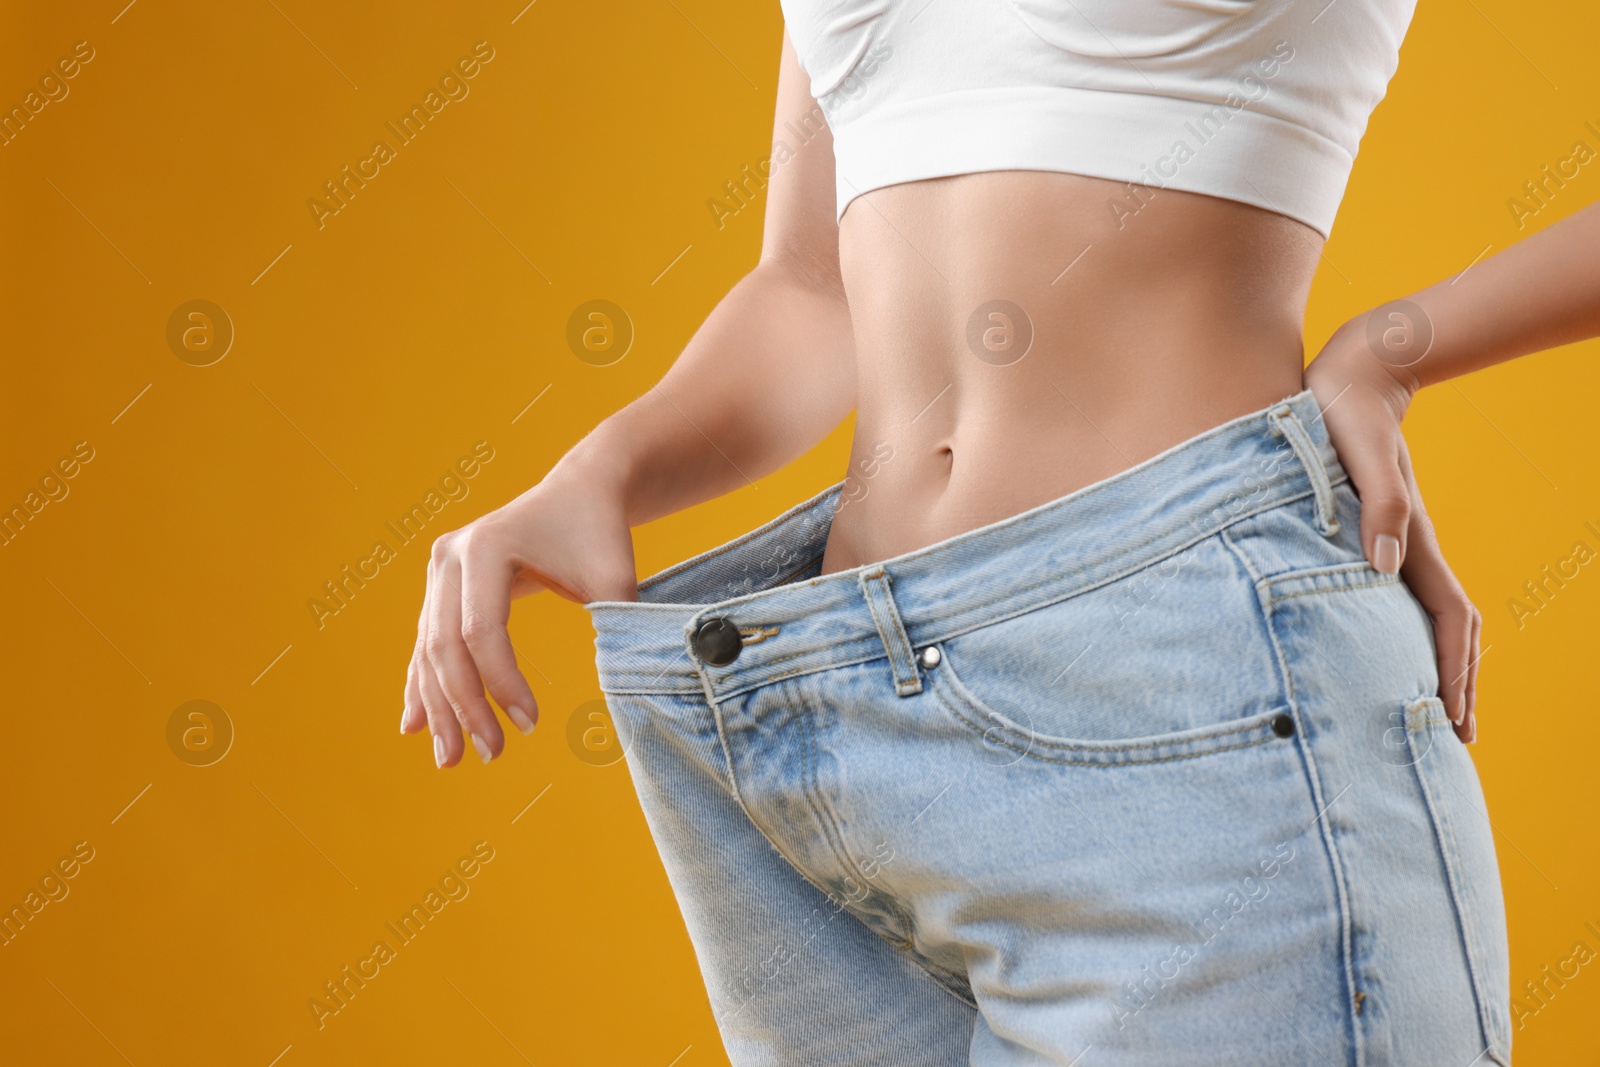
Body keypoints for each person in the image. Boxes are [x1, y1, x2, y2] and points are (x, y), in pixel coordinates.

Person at [402, 2, 1598, 1061]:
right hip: (830, 730)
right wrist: (601, 468)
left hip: (1189, 695)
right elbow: (813, 288)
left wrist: (1394, 350)